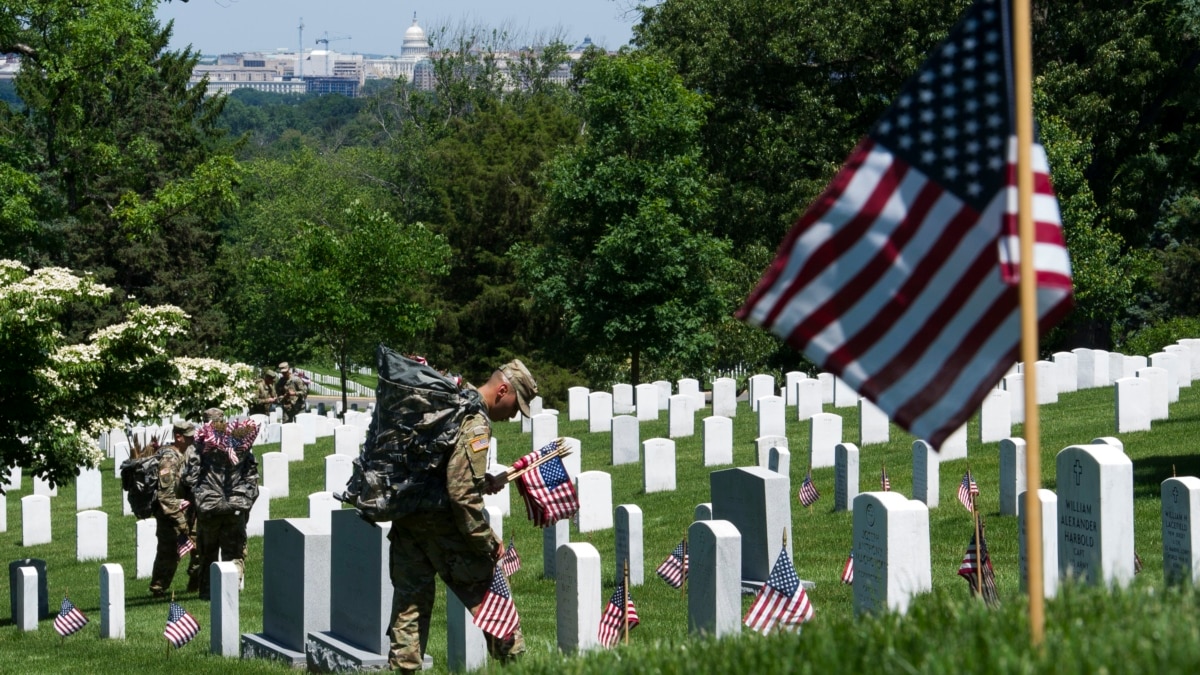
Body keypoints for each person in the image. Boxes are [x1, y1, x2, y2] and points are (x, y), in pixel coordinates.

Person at [387, 359, 538, 673]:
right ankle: (516, 667)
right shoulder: (475, 421)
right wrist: (487, 540)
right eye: (515, 405)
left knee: (409, 614)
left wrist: (483, 482)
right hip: (446, 531)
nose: (513, 415)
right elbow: (460, 495)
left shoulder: (451, 403)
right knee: (499, 614)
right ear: (502, 390)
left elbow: (446, 473)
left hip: (408, 522)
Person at [185, 408, 260, 600]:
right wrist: (246, 502)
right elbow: (251, 477)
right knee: (234, 552)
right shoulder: (240, 445)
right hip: (236, 505)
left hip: (209, 507)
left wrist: (199, 497)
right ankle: (230, 591)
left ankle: (207, 592)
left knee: (207, 553)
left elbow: (189, 478)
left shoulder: (198, 447)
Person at [149, 420, 198, 597]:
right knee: (168, 552)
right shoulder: (169, 459)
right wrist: (180, 521)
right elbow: (165, 496)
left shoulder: (184, 453)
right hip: (170, 514)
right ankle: (158, 589)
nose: (192, 440)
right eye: (189, 437)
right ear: (178, 437)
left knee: (198, 546)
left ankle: (196, 584)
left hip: (187, 511)